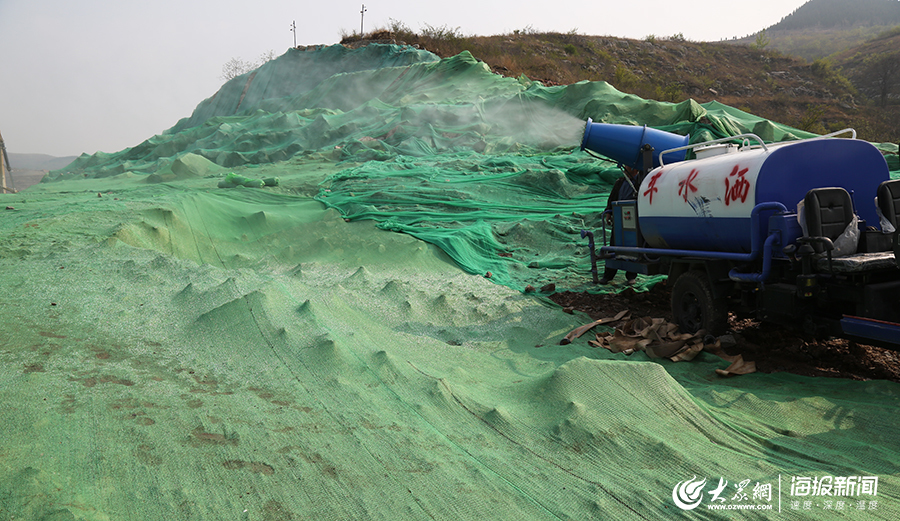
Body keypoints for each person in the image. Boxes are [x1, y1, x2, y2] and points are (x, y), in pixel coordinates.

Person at [599, 165, 639, 285]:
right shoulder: (620, 182)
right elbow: (612, 198)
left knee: (632, 246)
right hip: (618, 218)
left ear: (634, 169)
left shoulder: (640, 181)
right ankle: (608, 275)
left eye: (627, 167)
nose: (625, 169)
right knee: (614, 245)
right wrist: (609, 212)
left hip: (633, 219)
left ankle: (631, 275)